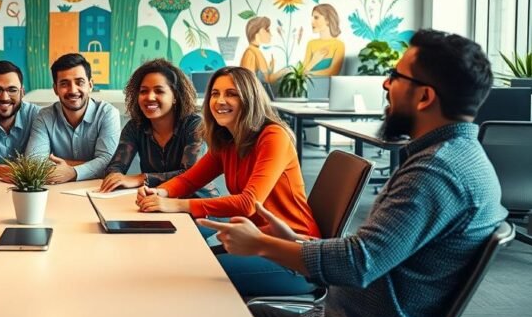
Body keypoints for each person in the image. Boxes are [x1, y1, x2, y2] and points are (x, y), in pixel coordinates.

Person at [199, 30, 505, 317]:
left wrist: (261, 246)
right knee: (234, 315)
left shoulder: (437, 173)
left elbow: (358, 264)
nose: (386, 85)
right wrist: (292, 240)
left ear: (424, 97)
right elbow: (371, 250)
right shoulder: (451, 158)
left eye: (395, 76)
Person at [136, 66, 319, 296]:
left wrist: (178, 204)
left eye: (231, 94)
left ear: (249, 98)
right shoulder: (228, 140)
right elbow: (189, 180)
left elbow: (249, 203)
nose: (220, 101)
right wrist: (160, 193)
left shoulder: (273, 136)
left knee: (190, 274)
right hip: (257, 241)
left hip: (294, 256)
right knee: (184, 260)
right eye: (215, 93)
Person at [100, 58, 214, 196]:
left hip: (198, 203)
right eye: (143, 91)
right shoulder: (135, 126)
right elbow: (116, 166)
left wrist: (141, 178)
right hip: (157, 202)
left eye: (159, 91)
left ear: (175, 96)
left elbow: (190, 174)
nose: (150, 97)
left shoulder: (194, 125)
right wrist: (115, 177)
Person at [25, 53, 121, 183]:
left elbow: (108, 164)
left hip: (98, 192)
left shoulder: (107, 114)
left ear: (90, 85)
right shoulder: (44, 117)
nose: (73, 90)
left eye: (79, 82)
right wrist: (92, 164)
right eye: (64, 84)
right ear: (55, 89)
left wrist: (72, 172)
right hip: (55, 193)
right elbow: (34, 163)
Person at [302, 3, 345, 76]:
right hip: (308, 85)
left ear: (327, 20)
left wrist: (307, 73)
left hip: (326, 85)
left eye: (316, 17)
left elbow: (333, 72)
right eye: (312, 18)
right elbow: (301, 72)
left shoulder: (339, 45)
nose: (312, 22)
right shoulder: (311, 43)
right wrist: (314, 60)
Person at [240, 16, 284, 83]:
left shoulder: (255, 50)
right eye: (267, 30)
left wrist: (270, 69)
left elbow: (264, 78)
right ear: (256, 32)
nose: (271, 34)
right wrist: (284, 71)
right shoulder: (250, 53)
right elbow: (248, 82)